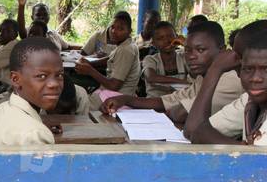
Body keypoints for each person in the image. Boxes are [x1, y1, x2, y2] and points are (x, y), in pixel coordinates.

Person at [102, 21, 241, 123]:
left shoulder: (230, 80)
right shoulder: (202, 78)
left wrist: (172, 109)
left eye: (200, 50)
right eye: (187, 50)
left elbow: (181, 113)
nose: (191, 56)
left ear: (222, 50)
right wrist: (125, 99)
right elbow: (169, 100)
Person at [0, 37, 61, 146]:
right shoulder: (36, 135)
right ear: (15, 79)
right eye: (41, 76)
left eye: (59, 75)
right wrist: (36, 128)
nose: (54, 84)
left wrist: (37, 124)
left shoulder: (0, 109)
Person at [74, 11, 140, 104]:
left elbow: (114, 85)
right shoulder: (125, 44)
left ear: (129, 31)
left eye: (120, 29)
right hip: (112, 93)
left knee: (77, 99)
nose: (114, 31)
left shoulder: (125, 50)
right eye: (112, 27)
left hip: (115, 97)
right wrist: (90, 63)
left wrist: (90, 71)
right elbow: (109, 59)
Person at [141, 20, 188, 97]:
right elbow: (151, 77)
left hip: (180, 103)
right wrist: (184, 83)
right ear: (154, 43)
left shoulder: (184, 57)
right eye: (160, 38)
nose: (167, 41)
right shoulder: (150, 59)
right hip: (153, 104)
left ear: (177, 37)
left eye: (170, 36)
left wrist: (186, 44)